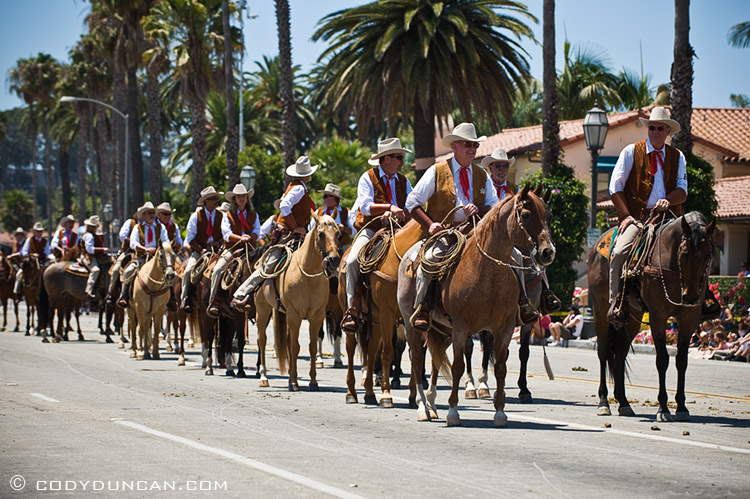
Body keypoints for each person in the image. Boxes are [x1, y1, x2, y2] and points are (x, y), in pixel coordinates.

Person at [405, 123, 499, 330]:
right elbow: (412, 203)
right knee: (428, 262)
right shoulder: (437, 171)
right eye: (467, 144)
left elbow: (494, 206)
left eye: (475, 144)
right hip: (445, 233)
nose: (472, 148)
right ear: (455, 146)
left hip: (476, 232)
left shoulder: (482, 174)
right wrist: (430, 225)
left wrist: (480, 208)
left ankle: (522, 304)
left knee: (515, 256)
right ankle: (423, 308)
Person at [607, 107, 688, 328]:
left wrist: (669, 201)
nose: (655, 131)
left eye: (660, 128)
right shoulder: (631, 151)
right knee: (620, 252)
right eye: (652, 127)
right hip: (640, 219)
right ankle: (616, 303)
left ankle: (701, 300)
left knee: (698, 246)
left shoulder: (678, 156)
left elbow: (683, 189)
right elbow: (615, 187)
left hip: (670, 218)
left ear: (667, 131)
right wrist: (625, 216)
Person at [341, 138, 413, 332]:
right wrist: (388, 208)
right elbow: (364, 206)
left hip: (400, 230)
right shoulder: (368, 177)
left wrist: (404, 212)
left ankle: (424, 307)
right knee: (352, 260)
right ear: (386, 158)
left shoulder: (404, 181)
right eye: (399, 157)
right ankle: (352, 308)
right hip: (372, 229)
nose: (402, 162)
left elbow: (413, 205)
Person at [482, 147, 560, 319]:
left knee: (536, 255)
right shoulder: (483, 186)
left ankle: (545, 293)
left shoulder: (516, 189)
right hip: (488, 236)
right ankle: (523, 300)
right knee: (516, 256)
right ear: (491, 168)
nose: (502, 169)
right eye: (498, 165)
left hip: (512, 237)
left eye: (504, 165)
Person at [232, 156, 318, 311]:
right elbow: (284, 206)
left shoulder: (299, 188)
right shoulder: (298, 188)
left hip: (298, 235)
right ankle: (241, 294)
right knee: (268, 266)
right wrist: (294, 227)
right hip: (287, 235)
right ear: (307, 175)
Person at [207, 184, 260, 318]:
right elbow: (226, 233)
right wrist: (240, 238)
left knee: (263, 268)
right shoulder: (228, 215)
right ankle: (214, 300)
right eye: (239, 196)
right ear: (234, 199)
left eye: (244, 196)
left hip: (250, 248)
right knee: (218, 268)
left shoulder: (254, 214)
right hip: (232, 248)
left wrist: (250, 237)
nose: (242, 199)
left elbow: (257, 231)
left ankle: (260, 300)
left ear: (247, 198)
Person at [117, 202, 170, 308]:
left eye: (153, 213)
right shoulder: (137, 227)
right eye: (149, 213)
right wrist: (145, 249)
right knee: (128, 271)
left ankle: (172, 299)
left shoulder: (161, 228)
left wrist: (157, 249)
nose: (152, 215)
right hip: (141, 257)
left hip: (157, 258)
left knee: (170, 272)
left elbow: (166, 241)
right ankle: (124, 295)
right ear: (143, 215)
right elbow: (133, 243)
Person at [181, 186, 224, 313]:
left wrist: (219, 243)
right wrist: (201, 250)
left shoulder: (223, 216)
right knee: (188, 271)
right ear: (206, 201)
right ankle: (186, 298)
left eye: (216, 198)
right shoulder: (196, 216)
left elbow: (226, 234)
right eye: (213, 198)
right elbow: (190, 238)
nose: (216, 200)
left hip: (217, 251)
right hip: (200, 251)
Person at [106, 210, 141, 303]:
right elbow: (122, 236)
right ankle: (112, 291)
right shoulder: (131, 222)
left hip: (144, 253)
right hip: (129, 251)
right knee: (116, 269)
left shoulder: (152, 226)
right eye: (146, 213)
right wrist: (133, 241)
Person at [14, 223, 49, 299]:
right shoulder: (29, 240)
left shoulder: (45, 241)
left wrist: (39, 255)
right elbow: (24, 251)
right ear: (34, 232)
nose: (39, 233)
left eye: (40, 231)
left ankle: (48, 289)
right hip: (31, 261)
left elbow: (47, 252)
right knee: (19, 274)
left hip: (41, 261)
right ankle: (18, 291)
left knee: (48, 273)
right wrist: (30, 255)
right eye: (37, 231)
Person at [312, 183, 354, 248]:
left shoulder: (346, 212)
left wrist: (344, 229)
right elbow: (310, 230)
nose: (323, 199)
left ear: (333, 198)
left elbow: (354, 233)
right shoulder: (318, 212)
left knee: (351, 258)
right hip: (322, 247)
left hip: (342, 246)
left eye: (325, 196)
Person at [80, 215, 109, 299]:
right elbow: (90, 250)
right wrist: (103, 249)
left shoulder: (91, 235)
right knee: (95, 270)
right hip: (88, 257)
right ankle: (88, 290)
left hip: (93, 257)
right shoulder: (89, 236)